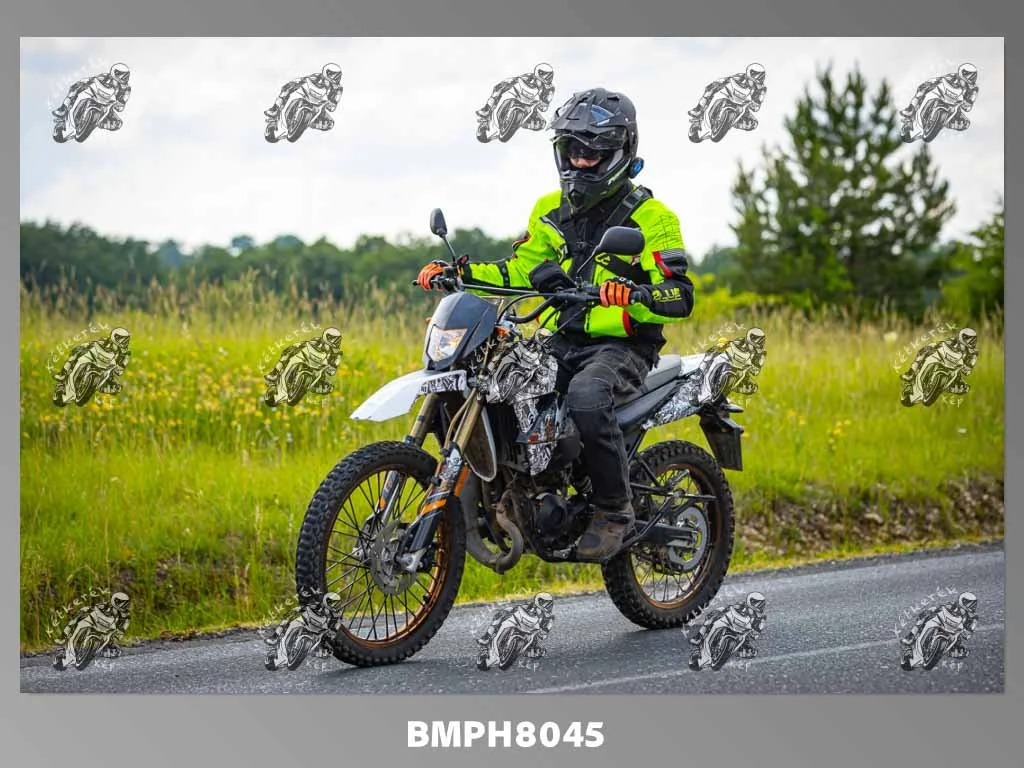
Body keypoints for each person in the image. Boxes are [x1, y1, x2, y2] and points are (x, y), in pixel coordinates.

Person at [417, 87, 695, 561]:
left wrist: (634, 296)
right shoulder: (550, 210)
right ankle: (515, 490)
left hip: (622, 348)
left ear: (620, 151)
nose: (580, 161)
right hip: (561, 340)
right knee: (494, 383)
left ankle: (614, 510)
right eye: (572, 150)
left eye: (593, 153)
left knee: (587, 395)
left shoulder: (652, 218)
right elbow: (519, 270)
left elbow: (681, 294)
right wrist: (460, 273)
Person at [52, 63, 132, 142]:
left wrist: (119, 104)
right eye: (121, 75)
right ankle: (63, 108)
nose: (124, 78)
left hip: (107, 105)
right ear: (114, 72)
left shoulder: (126, 89)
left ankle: (96, 123)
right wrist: (83, 82)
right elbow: (91, 79)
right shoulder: (105, 76)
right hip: (93, 95)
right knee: (76, 87)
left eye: (126, 76)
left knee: (118, 124)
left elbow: (121, 106)